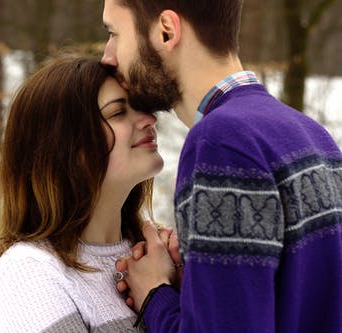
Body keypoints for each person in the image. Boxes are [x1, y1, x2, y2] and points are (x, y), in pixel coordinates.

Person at [100, 1, 342, 332]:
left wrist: (155, 294)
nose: (107, 56)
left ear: (166, 31)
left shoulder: (221, 144)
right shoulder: (311, 135)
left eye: (114, 33)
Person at [0, 55, 168, 332]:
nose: (149, 119)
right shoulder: (31, 272)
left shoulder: (154, 259)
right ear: (65, 148)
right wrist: (157, 295)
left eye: (140, 107)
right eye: (118, 112)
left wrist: (184, 292)